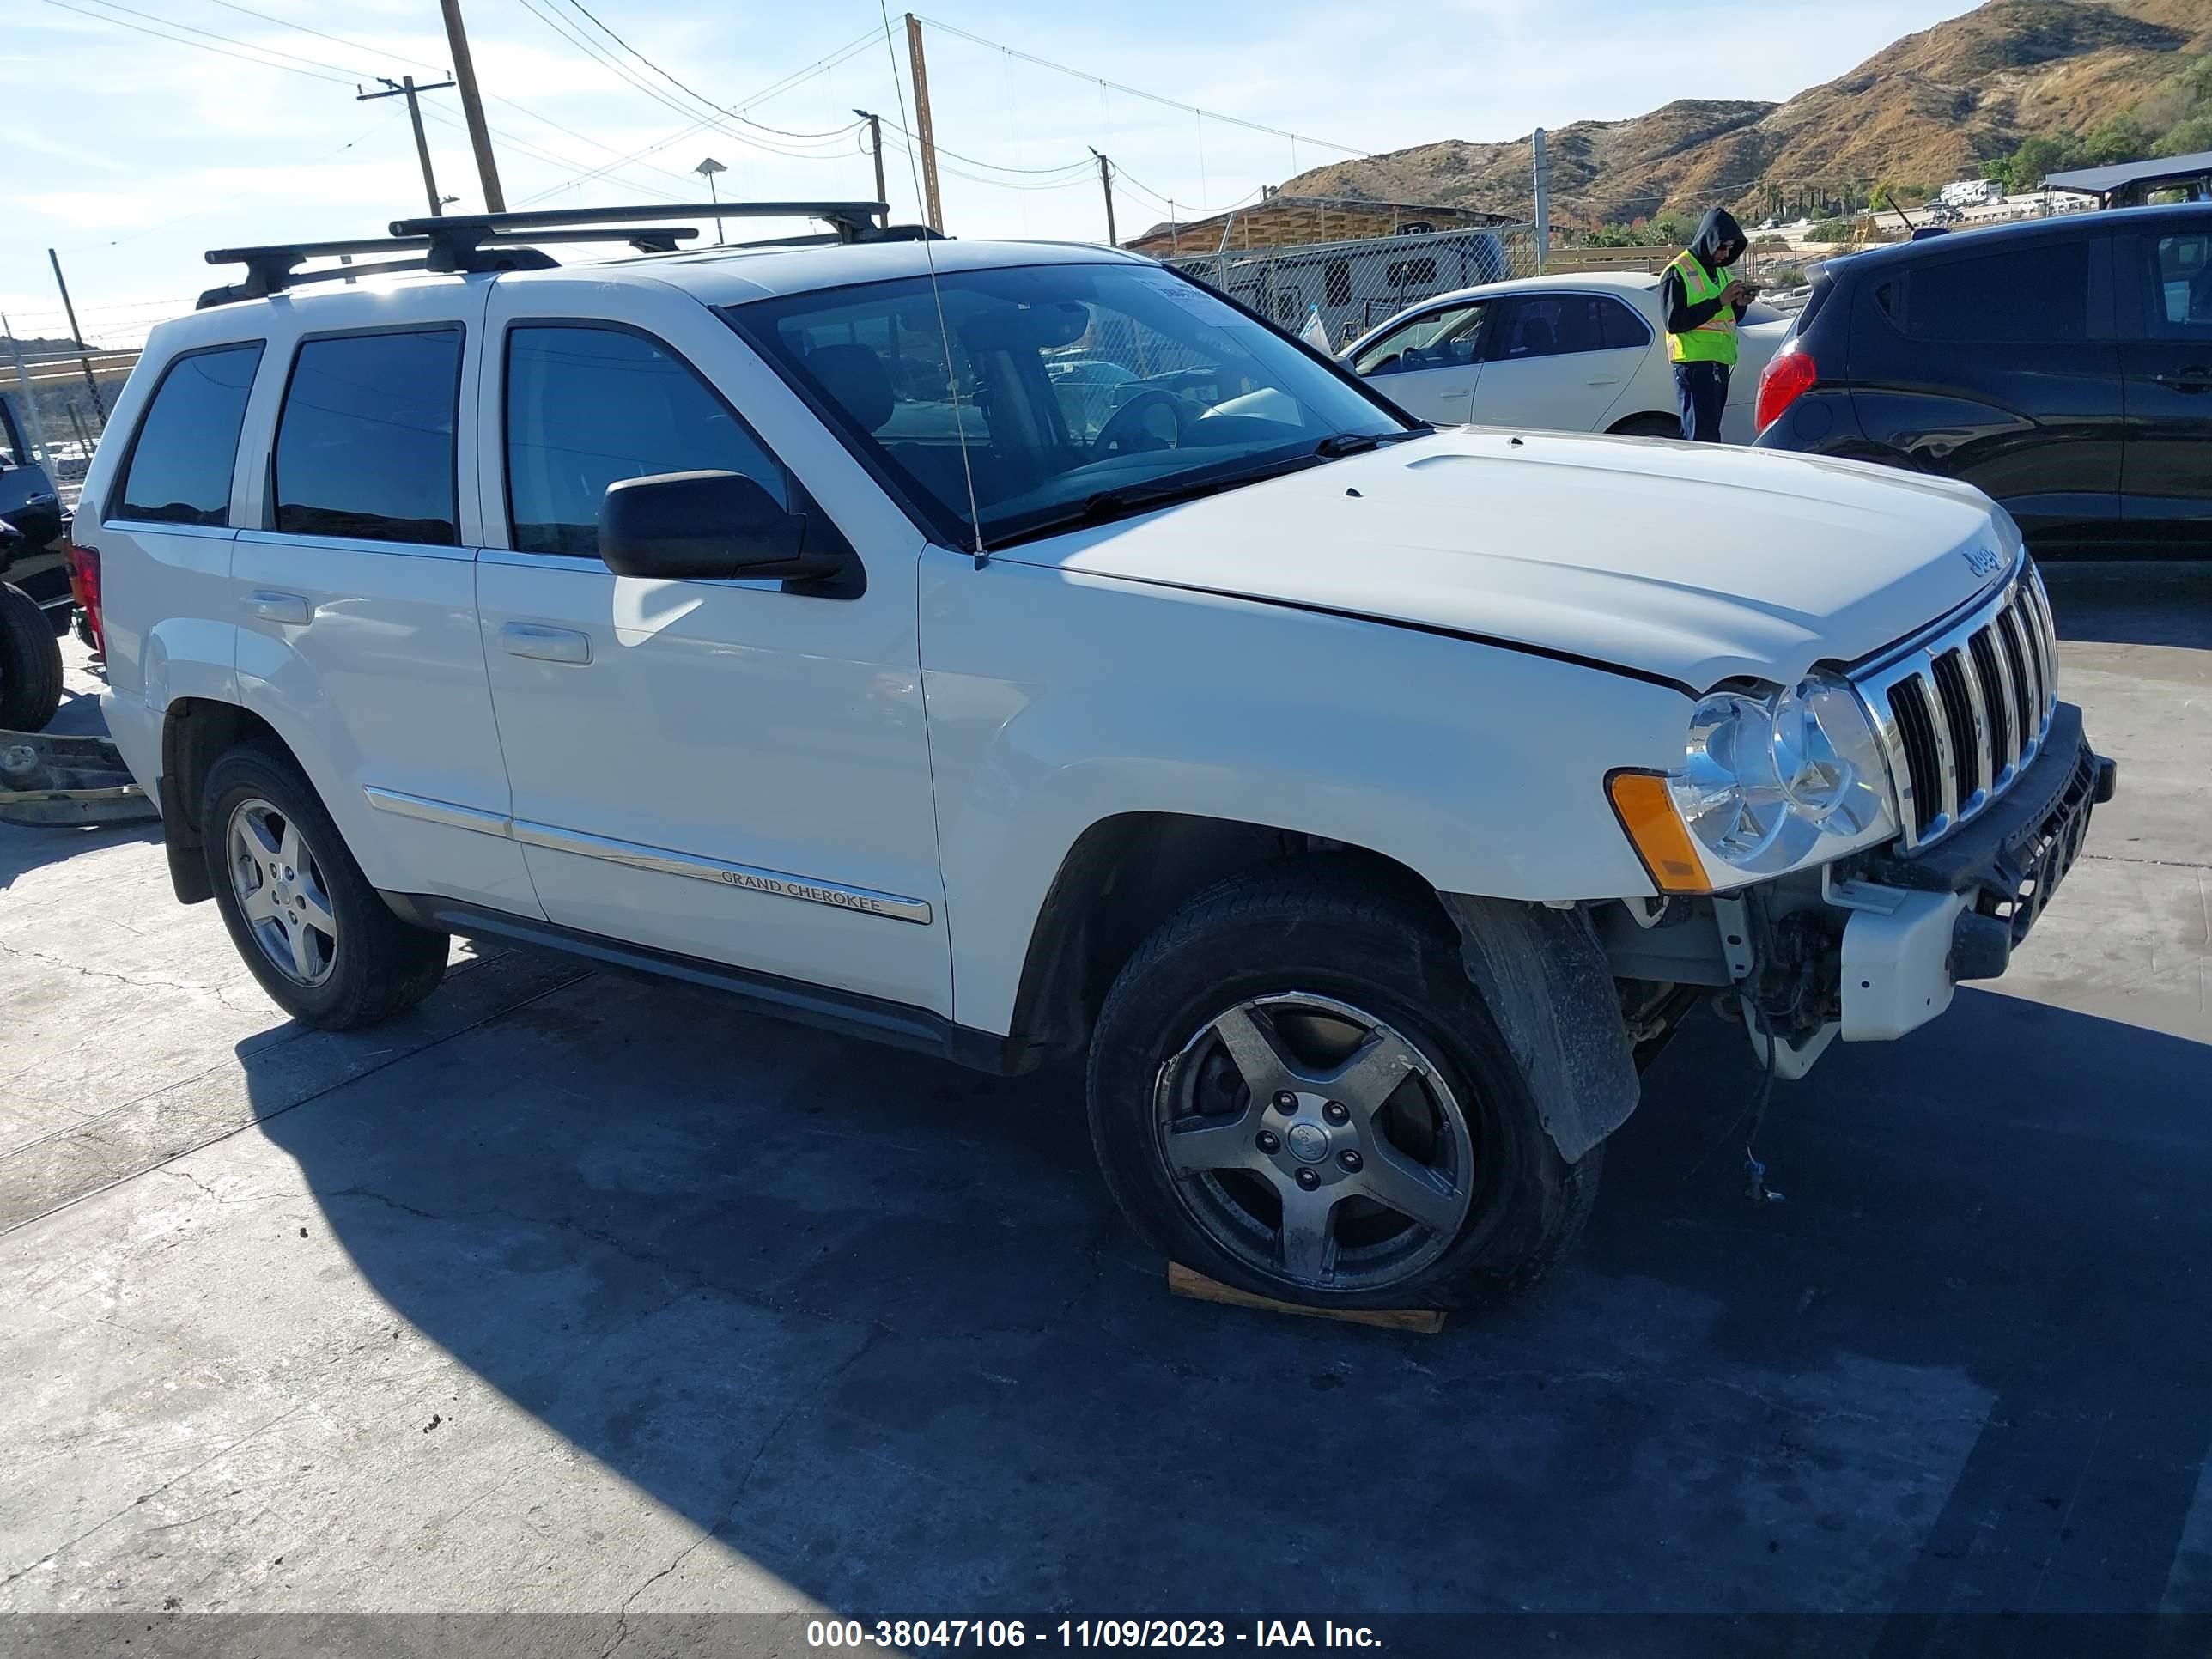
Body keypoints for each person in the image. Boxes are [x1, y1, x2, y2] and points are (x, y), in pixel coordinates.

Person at [1661, 209, 1753, 442]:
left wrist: (1740, 304)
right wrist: (1719, 301)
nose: (1726, 254)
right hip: (1693, 364)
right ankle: (1698, 477)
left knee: (1709, 434)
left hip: (1718, 362)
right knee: (1701, 437)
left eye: (1731, 248)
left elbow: (1727, 317)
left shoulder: (1720, 273)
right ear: (1709, 240)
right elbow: (1674, 322)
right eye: (1722, 247)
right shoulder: (1678, 272)